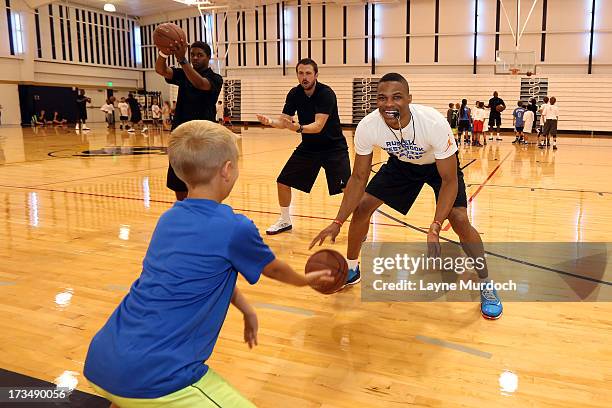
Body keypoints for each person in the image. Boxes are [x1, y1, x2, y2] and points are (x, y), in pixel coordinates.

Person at [83, 120, 333, 408]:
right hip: (157, 376)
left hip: (103, 357)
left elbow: (199, 277)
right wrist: (306, 280)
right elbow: (273, 268)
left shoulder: (168, 219)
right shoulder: (234, 228)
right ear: (227, 170)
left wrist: (246, 308)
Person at [310, 73, 503, 320]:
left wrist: (435, 226)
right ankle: (351, 268)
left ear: (409, 99)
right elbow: (358, 178)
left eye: (397, 97)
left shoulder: (432, 123)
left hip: (438, 167)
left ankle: (486, 282)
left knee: (459, 219)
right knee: (363, 207)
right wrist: (337, 221)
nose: (388, 103)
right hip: (401, 164)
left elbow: (449, 179)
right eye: (382, 98)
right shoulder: (368, 126)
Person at [256, 58, 351, 235]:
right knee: (283, 181)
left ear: (316, 75)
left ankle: (359, 225)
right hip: (309, 148)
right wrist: (270, 122)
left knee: (348, 189)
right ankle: (285, 220)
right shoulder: (294, 94)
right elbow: (284, 121)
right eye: (301, 73)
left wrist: (298, 127)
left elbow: (318, 125)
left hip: (334, 148)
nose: (304, 77)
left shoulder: (326, 93)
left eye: (308, 73)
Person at [155, 40, 223, 201]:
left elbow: (200, 84)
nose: (195, 58)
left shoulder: (215, 78)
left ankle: (204, 214)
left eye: (200, 55)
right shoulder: (183, 73)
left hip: (203, 136)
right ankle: (184, 211)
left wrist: (183, 60)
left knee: (203, 179)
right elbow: (160, 70)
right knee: (178, 179)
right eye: (192, 54)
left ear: (208, 57)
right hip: (180, 133)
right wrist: (163, 53)